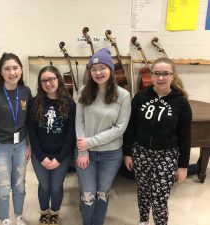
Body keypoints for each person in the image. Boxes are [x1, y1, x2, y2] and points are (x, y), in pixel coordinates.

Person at [123, 57, 192, 225]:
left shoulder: (181, 103)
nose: (161, 78)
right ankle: (143, 220)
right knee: (143, 191)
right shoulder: (140, 97)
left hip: (166, 156)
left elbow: (185, 137)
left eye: (165, 74)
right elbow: (130, 128)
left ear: (173, 76)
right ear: (151, 76)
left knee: (160, 196)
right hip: (141, 153)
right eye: (156, 74)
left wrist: (183, 166)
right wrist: (128, 153)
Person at [75, 48, 131, 225]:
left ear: (111, 70)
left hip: (111, 154)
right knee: (88, 193)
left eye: (102, 67)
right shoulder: (84, 91)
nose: (98, 72)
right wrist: (83, 151)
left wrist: (89, 142)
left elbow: (120, 128)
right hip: (86, 153)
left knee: (102, 192)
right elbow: (79, 122)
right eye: (94, 69)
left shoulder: (123, 95)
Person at [0, 52, 32, 225]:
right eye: (7, 69)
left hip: (21, 145)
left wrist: (30, 145)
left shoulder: (25, 91)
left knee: (19, 184)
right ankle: (4, 218)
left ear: (21, 69)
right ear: (1, 72)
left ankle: (18, 215)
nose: (12, 72)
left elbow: (29, 122)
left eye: (15, 68)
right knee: (3, 186)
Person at [27, 65, 76, 225]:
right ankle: (44, 213)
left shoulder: (69, 104)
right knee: (44, 185)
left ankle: (54, 213)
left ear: (58, 80)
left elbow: (70, 135)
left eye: (51, 79)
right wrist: (41, 157)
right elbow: (32, 132)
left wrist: (60, 158)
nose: (48, 83)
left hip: (61, 155)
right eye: (43, 81)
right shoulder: (35, 103)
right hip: (39, 154)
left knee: (56, 187)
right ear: (40, 83)